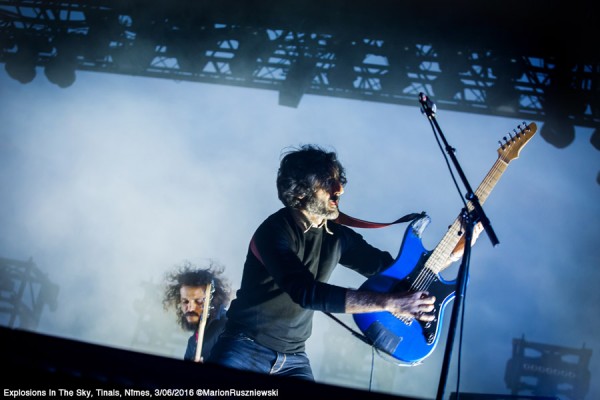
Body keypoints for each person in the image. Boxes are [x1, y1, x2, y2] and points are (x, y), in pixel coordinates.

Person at [208, 144, 479, 381]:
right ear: (300, 192)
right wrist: (391, 303)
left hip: (294, 359)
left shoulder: (338, 236)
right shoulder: (274, 231)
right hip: (244, 347)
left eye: (338, 180)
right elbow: (306, 292)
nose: (340, 188)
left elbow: (396, 273)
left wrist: (456, 248)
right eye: (328, 182)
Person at [163, 261, 231, 362]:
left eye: (198, 301)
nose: (190, 308)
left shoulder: (227, 328)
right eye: (185, 301)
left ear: (213, 301)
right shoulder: (192, 342)